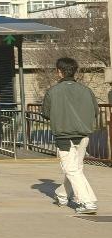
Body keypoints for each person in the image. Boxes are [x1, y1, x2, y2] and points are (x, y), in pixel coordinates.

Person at [42, 57, 100, 215]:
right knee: (76, 168)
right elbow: (96, 111)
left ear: (59, 71)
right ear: (75, 71)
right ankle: (62, 195)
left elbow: (46, 113)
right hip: (83, 135)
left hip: (64, 136)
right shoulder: (87, 90)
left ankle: (87, 202)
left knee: (72, 169)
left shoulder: (52, 91)